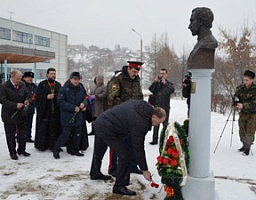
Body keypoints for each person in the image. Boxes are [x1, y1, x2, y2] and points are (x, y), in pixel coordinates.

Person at [90, 100, 166, 196]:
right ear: (153, 116)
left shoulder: (144, 108)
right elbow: (138, 148)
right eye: (158, 122)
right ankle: (119, 186)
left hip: (102, 120)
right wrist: (144, 170)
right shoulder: (141, 123)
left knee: (99, 149)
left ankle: (95, 173)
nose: (157, 125)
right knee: (125, 154)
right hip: (108, 127)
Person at [106, 61, 144, 177]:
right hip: (119, 117)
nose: (135, 73)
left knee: (132, 142)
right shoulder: (117, 79)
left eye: (137, 71)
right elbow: (112, 98)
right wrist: (127, 109)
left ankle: (132, 165)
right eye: (134, 71)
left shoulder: (137, 80)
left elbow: (139, 96)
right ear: (128, 68)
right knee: (117, 144)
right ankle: (113, 168)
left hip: (133, 118)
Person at [53, 72, 87, 159]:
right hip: (67, 115)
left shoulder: (81, 88)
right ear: (70, 79)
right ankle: (56, 149)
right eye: (75, 79)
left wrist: (84, 104)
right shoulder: (64, 89)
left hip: (78, 115)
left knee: (77, 134)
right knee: (65, 134)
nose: (76, 81)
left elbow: (85, 98)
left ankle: (75, 149)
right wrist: (72, 107)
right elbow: (60, 102)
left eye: (78, 79)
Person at [0, 70, 30, 160]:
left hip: (21, 113)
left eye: (20, 78)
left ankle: (21, 150)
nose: (19, 80)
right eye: (17, 78)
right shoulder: (4, 86)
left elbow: (27, 95)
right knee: (11, 135)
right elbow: (2, 100)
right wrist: (15, 105)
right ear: (11, 77)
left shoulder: (22, 85)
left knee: (22, 134)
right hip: (9, 114)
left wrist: (27, 100)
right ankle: (12, 152)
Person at [34, 68, 62, 151]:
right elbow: (37, 97)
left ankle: (54, 145)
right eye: (51, 74)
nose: (53, 75)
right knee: (44, 128)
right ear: (47, 75)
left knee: (54, 129)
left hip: (55, 111)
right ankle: (42, 145)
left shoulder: (58, 85)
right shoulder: (42, 84)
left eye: (54, 74)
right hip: (45, 111)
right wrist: (46, 97)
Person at [148, 68, 175, 145]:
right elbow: (151, 89)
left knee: (165, 124)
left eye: (163, 73)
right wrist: (155, 82)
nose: (162, 75)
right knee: (156, 123)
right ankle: (155, 139)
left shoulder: (169, 84)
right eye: (161, 73)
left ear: (166, 74)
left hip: (165, 107)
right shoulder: (157, 84)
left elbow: (171, 90)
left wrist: (165, 83)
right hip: (157, 106)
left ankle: (165, 139)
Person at [234, 70, 256, 156]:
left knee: (250, 130)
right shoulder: (240, 88)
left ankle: (248, 147)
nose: (245, 82)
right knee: (242, 129)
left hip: (253, 113)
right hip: (243, 113)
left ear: (252, 80)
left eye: (247, 80)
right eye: (244, 80)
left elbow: (254, 103)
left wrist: (243, 105)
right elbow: (236, 96)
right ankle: (244, 144)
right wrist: (234, 102)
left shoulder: (255, 90)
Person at [23, 72, 37, 143]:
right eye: (28, 77)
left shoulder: (34, 86)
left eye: (31, 78)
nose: (30, 79)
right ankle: (21, 136)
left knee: (29, 123)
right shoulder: (22, 85)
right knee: (22, 123)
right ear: (24, 78)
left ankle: (28, 136)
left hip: (31, 108)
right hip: (23, 108)